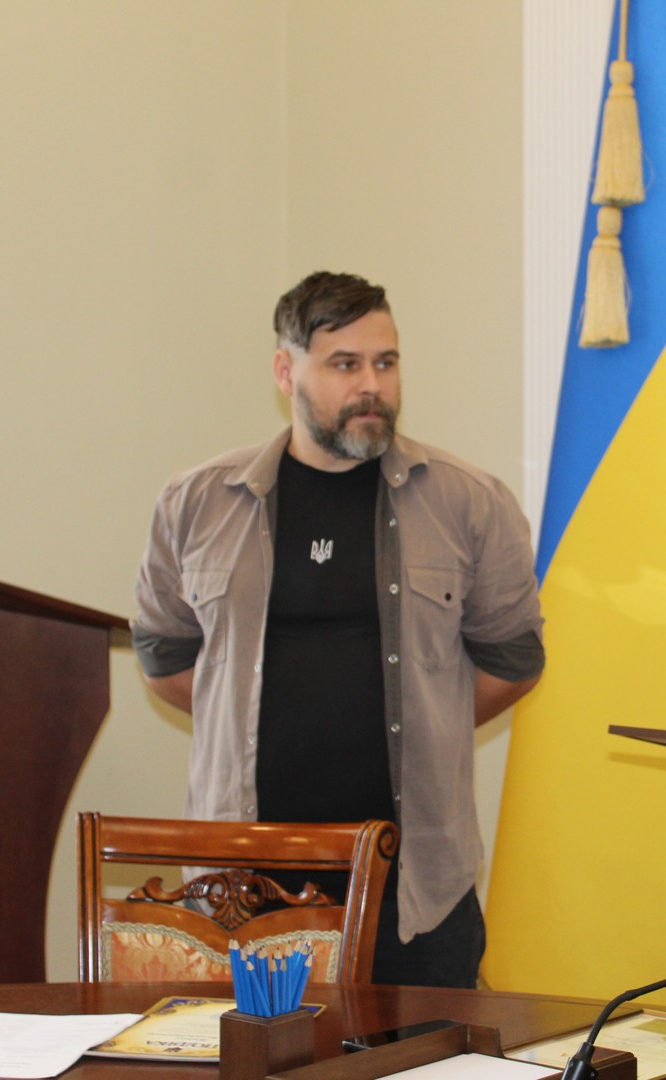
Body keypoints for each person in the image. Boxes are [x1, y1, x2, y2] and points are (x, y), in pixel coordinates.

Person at [132, 271, 544, 989]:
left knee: (425, 1051)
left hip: (415, 891)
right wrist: (250, 717)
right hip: (243, 886)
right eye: (345, 364)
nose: (372, 386)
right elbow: (163, 657)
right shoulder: (197, 501)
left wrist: (425, 716)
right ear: (285, 371)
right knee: (254, 1051)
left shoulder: (469, 502)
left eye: (386, 362)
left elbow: (512, 661)